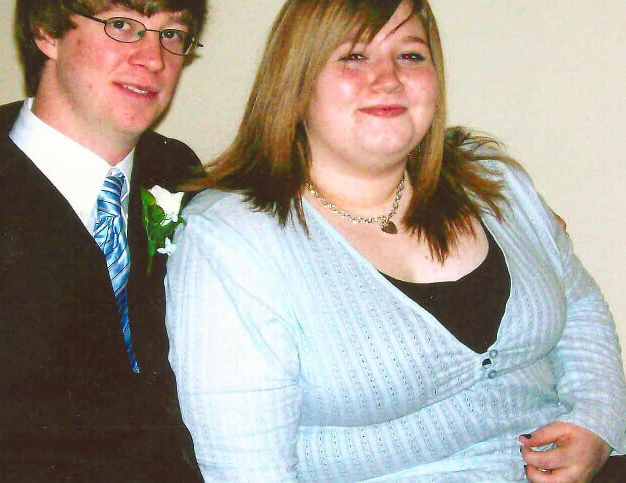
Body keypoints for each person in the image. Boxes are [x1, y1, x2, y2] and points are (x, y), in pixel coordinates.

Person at [164, 0, 626, 480]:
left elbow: (579, 306)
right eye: (354, 56)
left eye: (410, 55)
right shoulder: (231, 240)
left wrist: (597, 420)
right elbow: (248, 469)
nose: (388, 79)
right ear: (295, 82)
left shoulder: (496, 184)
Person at [0, 0, 206, 479]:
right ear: (47, 32)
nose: (153, 58)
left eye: (171, 34)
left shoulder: (179, 176)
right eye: (123, 25)